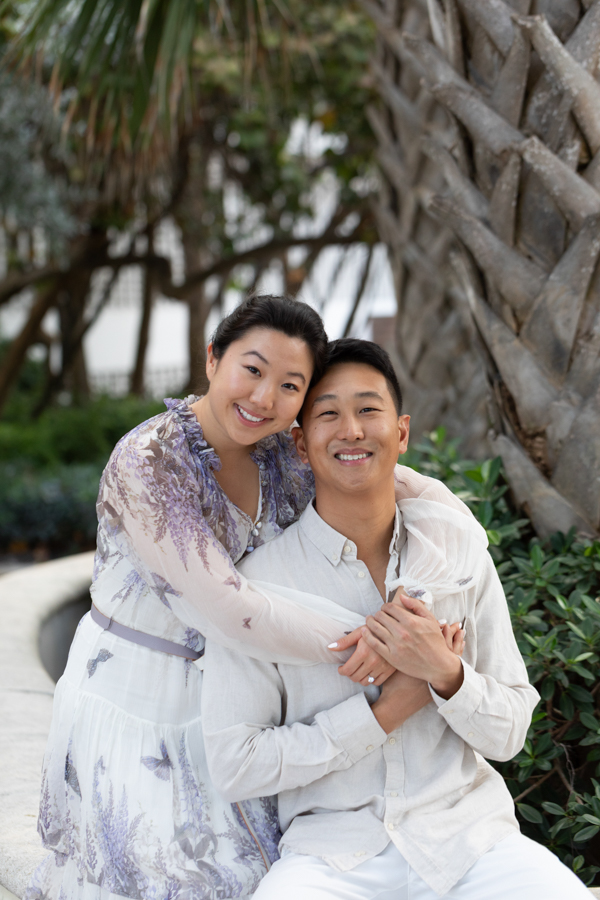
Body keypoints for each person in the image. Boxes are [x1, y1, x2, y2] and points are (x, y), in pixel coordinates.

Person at [25, 296, 405, 900]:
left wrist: (458, 528)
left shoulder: (284, 450)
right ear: (212, 359)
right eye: (251, 370)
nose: (263, 399)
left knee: (269, 876)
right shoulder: (150, 462)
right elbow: (229, 608)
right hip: (139, 698)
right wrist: (374, 647)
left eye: (289, 385)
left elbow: (392, 477)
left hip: (236, 705)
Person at [201, 338, 591, 900]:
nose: (352, 430)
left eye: (368, 409)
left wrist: (444, 674)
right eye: (328, 413)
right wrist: (384, 712)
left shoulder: (458, 558)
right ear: (300, 444)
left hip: (470, 843)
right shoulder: (259, 590)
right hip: (333, 857)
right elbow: (237, 765)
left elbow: (510, 734)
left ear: (402, 432)